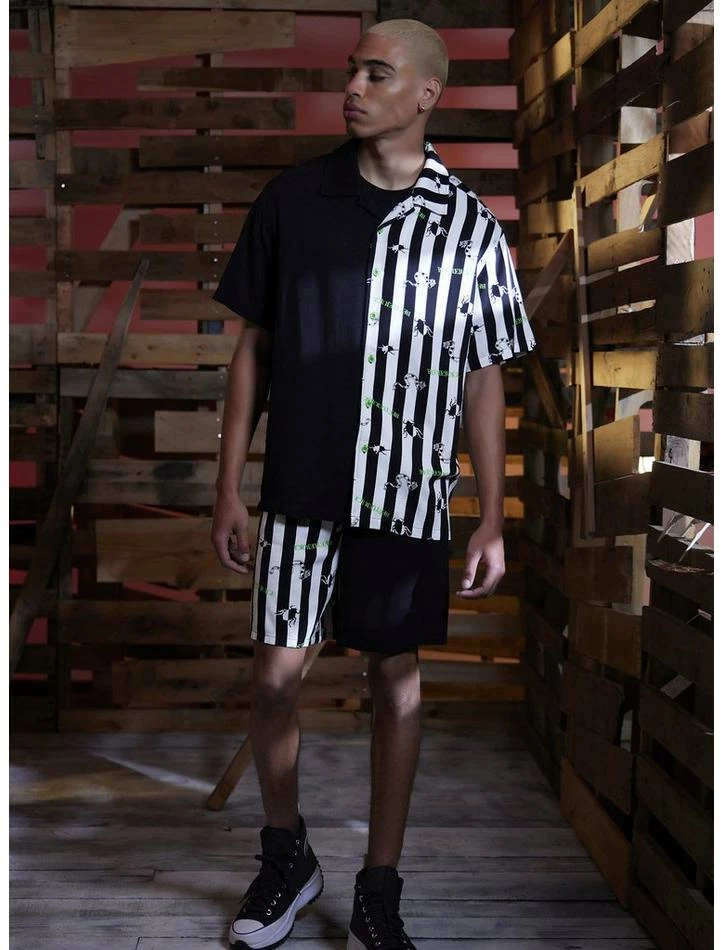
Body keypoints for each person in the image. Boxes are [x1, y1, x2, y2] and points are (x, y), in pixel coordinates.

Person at [210, 17, 536, 950]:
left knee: (396, 682)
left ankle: (379, 889)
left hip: (406, 496)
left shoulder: (470, 228)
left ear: (427, 94)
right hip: (301, 489)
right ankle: (286, 856)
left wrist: (489, 514)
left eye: (377, 73)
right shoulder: (294, 200)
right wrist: (229, 488)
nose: (353, 86)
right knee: (275, 679)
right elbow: (252, 350)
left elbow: (483, 373)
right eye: (352, 71)